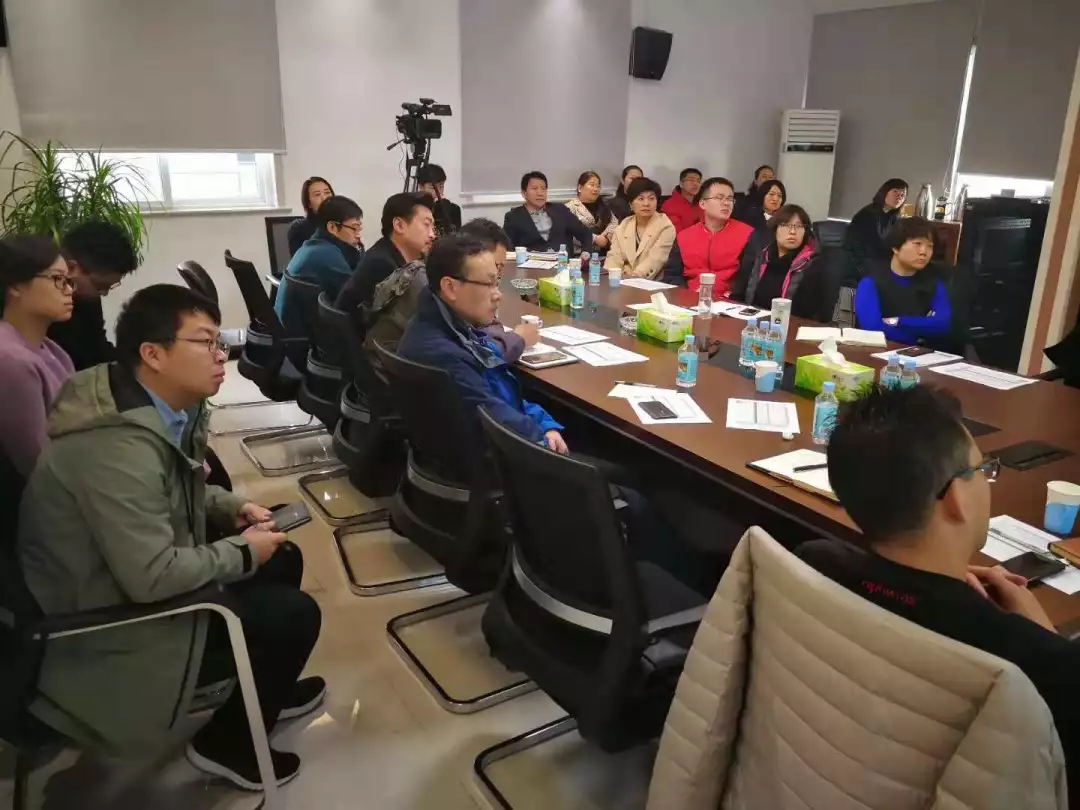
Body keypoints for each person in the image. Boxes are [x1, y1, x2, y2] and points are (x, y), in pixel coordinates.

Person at [17, 285, 323, 790]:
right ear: (153, 354)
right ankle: (226, 745)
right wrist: (241, 552)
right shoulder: (114, 448)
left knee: (281, 557)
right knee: (292, 614)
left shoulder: (153, 406)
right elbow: (151, 577)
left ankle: (262, 692)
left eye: (219, 341)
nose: (221, 354)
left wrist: (230, 508)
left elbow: (170, 488)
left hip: (125, 577)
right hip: (107, 627)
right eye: (205, 342)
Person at [796, 384, 1080, 809]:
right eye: (982, 469)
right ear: (957, 498)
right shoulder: (1037, 661)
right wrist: (1044, 636)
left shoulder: (815, 563)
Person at [398, 233, 564, 453]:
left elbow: (502, 396)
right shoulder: (446, 355)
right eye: (489, 284)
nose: (498, 295)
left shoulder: (448, 325)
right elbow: (499, 419)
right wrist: (541, 435)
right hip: (495, 460)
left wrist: (545, 424)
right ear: (450, 287)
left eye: (497, 282)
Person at [363, 219, 536, 374]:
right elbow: (481, 356)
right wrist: (517, 339)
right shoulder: (428, 289)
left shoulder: (438, 285)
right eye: (496, 267)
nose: (497, 280)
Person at [0, 236, 75, 476]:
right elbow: (39, 464)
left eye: (68, 281)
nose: (69, 290)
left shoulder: (53, 351)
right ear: (15, 286)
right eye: (57, 279)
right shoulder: (10, 361)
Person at [47, 220, 139, 371]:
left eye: (108, 287)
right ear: (71, 267)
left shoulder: (88, 300)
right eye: (100, 286)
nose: (104, 293)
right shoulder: (37, 304)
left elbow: (98, 349)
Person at [335, 192, 435, 324]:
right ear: (399, 225)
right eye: (426, 224)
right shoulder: (383, 265)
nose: (432, 234)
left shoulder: (387, 251)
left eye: (433, 227)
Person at [275, 195, 364, 338]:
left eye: (359, 228)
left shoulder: (313, 245)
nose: (358, 235)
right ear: (332, 227)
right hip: (303, 338)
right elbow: (354, 299)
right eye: (354, 228)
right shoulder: (327, 255)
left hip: (290, 330)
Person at [855, 216, 952, 346]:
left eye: (930, 246)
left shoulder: (934, 283)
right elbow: (873, 327)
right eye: (917, 244)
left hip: (922, 355)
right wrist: (917, 337)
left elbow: (942, 324)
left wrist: (897, 321)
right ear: (896, 247)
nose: (924, 252)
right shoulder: (871, 282)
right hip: (879, 351)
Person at [732, 204, 828, 319]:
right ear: (775, 229)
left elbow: (811, 314)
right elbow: (739, 296)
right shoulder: (760, 258)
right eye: (786, 225)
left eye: (799, 226)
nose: (793, 231)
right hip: (751, 322)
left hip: (789, 325)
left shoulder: (811, 265)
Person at [662, 177, 754, 295]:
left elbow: (749, 277)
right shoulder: (684, 236)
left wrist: (731, 295)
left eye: (730, 199)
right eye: (719, 198)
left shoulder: (747, 233)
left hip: (729, 299)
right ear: (703, 204)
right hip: (690, 296)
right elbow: (672, 274)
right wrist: (686, 295)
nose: (726, 203)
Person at [603, 177, 676, 280]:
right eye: (640, 199)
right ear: (631, 204)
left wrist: (632, 278)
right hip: (621, 280)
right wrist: (610, 276)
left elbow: (656, 260)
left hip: (651, 282)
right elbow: (614, 257)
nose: (646, 204)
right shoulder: (625, 224)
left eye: (651, 198)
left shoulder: (665, 225)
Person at [502, 171, 594, 254]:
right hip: (532, 265)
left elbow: (585, 234)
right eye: (534, 188)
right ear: (524, 193)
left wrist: (586, 253)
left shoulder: (560, 210)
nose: (540, 193)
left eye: (543, 188)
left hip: (563, 263)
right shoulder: (514, 217)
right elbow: (506, 247)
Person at [844, 177, 908, 280]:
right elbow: (860, 247)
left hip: (880, 260)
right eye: (895, 191)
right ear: (884, 192)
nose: (898, 197)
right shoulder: (867, 214)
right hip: (862, 262)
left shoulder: (894, 216)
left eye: (902, 195)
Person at [565, 171, 617, 253]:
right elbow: (569, 231)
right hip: (579, 253)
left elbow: (614, 222)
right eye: (592, 185)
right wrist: (594, 239)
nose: (595, 189)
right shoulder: (570, 207)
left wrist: (605, 238)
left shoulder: (603, 205)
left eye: (598, 186)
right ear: (580, 188)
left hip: (604, 252)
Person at [286, 176, 334, 256]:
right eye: (317, 194)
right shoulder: (299, 229)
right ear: (309, 203)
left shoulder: (343, 223)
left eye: (327, 193)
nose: (324, 198)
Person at [417, 163, 462, 236]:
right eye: (432, 187)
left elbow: (456, 237)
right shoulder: (415, 211)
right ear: (421, 187)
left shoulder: (454, 209)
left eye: (441, 186)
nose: (438, 192)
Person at [660, 167, 703, 232]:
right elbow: (676, 233)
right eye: (691, 180)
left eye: (698, 181)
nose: (695, 183)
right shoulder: (669, 205)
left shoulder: (703, 203)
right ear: (681, 184)